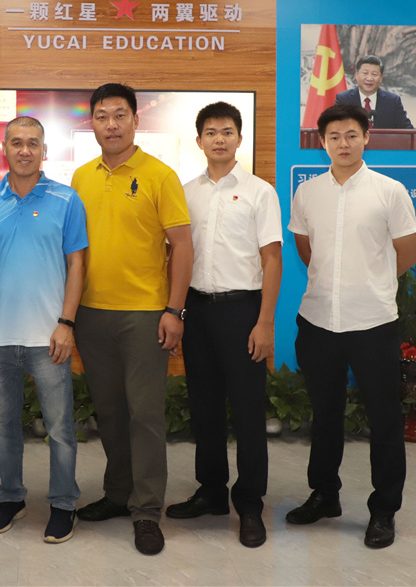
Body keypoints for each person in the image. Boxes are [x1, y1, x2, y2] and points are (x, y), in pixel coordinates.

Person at [286, 103, 416, 549]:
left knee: (384, 419)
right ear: (322, 142)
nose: (342, 144)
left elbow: (408, 252)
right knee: (325, 415)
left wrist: (372, 283)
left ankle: (384, 510)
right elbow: (306, 249)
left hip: (373, 323)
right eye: (334, 137)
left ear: (367, 137)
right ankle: (325, 495)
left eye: (350, 135)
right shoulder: (307, 192)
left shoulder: (389, 191)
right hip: (318, 320)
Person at [71, 83, 193, 556]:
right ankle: (118, 494)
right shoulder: (80, 177)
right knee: (110, 411)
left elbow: (182, 246)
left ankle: (146, 511)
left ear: (136, 120)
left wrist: (174, 310)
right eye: (102, 116)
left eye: (120, 115)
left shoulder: (160, 175)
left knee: (145, 415)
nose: (112, 125)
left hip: (145, 315)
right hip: (91, 313)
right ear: (92, 123)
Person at [0, 116, 86, 544]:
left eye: (33, 143)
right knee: (2, 427)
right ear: (5, 149)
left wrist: (66, 323)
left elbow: (77, 264)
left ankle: (63, 504)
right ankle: (11, 497)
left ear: (44, 150)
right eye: (16, 142)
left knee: (60, 429)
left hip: (50, 337)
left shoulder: (66, 199)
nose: (24, 150)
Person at [165, 102, 282, 548]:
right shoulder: (184, 192)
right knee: (205, 408)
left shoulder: (260, 192)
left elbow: (273, 259)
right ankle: (212, 491)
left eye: (227, 131)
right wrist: (176, 313)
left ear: (239, 139)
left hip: (242, 311)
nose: (219, 139)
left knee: (248, 411)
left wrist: (264, 322)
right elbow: (175, 256)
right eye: (211, 132)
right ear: (199, 141)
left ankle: (249, 503)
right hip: (196, 311)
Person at [334, 55, 413, 129]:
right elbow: (334, 127)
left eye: (374, 74)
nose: (369, 78)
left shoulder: (392, 101)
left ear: (381, 77)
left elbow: (408, 131)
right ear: (357, 74)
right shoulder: (344, 99)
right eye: (365, 73)